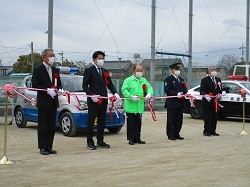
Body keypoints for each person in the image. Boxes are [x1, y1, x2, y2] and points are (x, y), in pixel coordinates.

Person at [82, 51, 121, 150]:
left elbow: (109, 84)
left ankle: (100, 140)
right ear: (94, 59)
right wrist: (91, 95)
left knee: (102, 121)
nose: (101, 60)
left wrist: (115, 93)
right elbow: (85, 85)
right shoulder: (89, 70)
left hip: (103, 100)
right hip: (93, 100)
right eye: (99, 58)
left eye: (102, 58)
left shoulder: (105, 71)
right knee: (91, 121)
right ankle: (90, 141)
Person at [32, 48, 62, 155]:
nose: (52, 57)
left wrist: (59, 90)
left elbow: (59, 83)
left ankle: (49, 146)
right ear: (44, 57)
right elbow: (35, 85)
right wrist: (47, 90)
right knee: (42, 125)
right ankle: (42, 147)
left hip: (53, 101)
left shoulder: (55, 70)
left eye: (53, 55)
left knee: (51, 126)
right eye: (50, 55)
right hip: (44, 101)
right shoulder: (38, 69)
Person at [121, 64, 154, 145]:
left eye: (141, 71)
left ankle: (137, 138)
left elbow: (149, 88)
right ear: (133, 71)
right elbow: (124, 90)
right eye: (138, 71)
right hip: (131, 106)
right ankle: (131, 139)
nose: (139, 72)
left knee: (138, 123)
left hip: (139, 106)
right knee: (131, 123)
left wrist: (149, 94)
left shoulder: (144, 80)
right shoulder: (128, 80)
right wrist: (131, 96)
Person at [164, 62, 187, 140]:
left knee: (179, 120)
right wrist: (176, 93)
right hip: (172, 103)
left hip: (180, 103)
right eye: (176, 69)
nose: (178, 71)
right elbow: (167, 90)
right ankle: (170, 134)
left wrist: (185, 93)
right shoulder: (168, 79)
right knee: (171, 120)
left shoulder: (181, 79)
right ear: (172, 70)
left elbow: (184, 89)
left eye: (178, 69)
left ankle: (177, 133)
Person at [200, 66, 224, 136]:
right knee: (208, 116)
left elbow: (219, 89)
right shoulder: (205, 80)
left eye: (215, 70)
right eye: (212, 70)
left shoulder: (218, 79)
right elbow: (202, 90)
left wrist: (221, 93)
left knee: (214, 116)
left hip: (215, 101)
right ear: (209, 71)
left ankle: (213, 130)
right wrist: (206, 95)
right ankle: (206, 131)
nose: (214, 71)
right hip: (208, 100)